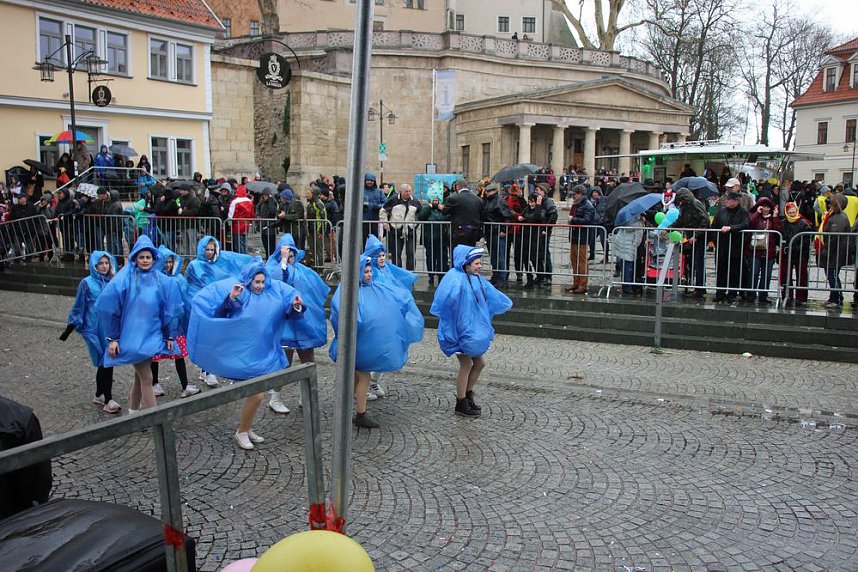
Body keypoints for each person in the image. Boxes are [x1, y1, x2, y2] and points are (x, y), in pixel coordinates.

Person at [188, 259, 305, 450]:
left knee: (257, 395)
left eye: (262, 282)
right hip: (246, 356)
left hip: (263, 354)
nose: (259, 286)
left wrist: (296, 306)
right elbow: (220, 315)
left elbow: (288, 311)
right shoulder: (241, 295)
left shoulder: (272, 296)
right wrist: (231, 299)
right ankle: (242, 431)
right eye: (256, 282)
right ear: (249, 280)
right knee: (258, 395)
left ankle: (246, 428)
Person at [328, 256, 422, 428]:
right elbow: (341, 317)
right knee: (362, 376)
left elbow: (393, 300)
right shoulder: (349, 291)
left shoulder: (370, 289)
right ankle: (360, 414)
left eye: (370, 271)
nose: (370, 275)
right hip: (356, 346)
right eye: (366, 271)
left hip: (362, 345)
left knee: (356, 378)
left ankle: (348, 410)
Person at [95, 236, 184, 414]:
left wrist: (169, 335)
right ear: (135, 258)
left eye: (148, 257)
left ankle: (134, 413)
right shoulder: (124, 280)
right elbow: (114, 310)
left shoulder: (161, 281)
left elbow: (166, 311)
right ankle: (156, 421)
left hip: (151, 336)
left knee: (140, 377)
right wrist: (113, 338)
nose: (145, 260)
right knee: (147, 378)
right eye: (141, 257)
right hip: (132, 338)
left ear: (154, 258)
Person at [430, 246, 512, 417]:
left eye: (480, 262)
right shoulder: (456, 281)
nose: (480, 266)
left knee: (480, 363)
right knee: (466, 364)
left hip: (471, 333)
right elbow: (452, 309)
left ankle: (467, 395)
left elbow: (490, 296)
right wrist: (460, 332)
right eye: (476, 263)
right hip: (459, 333)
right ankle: (460, 402)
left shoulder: (475, 279)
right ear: (466, 264)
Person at [264, 233, 330, 414]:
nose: (290, 258)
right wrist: (284, 262)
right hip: (284, 322)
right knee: (285, 361)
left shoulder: (303, 270)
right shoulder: (273, 268)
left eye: (292, 254)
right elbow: (278, 281)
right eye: (287, 254)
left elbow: (316, 291)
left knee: (308, 359)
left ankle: (306, 395)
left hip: (303, 321)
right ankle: (275, 397)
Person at [184, 235, 253, 386]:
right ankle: (208, 371)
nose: (209, 252)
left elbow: (237, 264)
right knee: (209, 340)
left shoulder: (221, 262)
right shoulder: (194, 265)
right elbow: (189, 286)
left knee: (218, 339)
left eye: (212, 249)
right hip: (205, 307)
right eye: (207, 249)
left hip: (219, 306)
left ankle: (209, 371)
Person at [362, 234, 424, 399]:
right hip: (376, 319)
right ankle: (362, 387)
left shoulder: (386, 269)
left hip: (389, 317)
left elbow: (397, 285)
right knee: (372, 352)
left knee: (386, 350)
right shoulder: (370, 272)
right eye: (379, 256)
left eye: (383, 255)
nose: (382, 258)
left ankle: (373, 382)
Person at [60, 251, 120, 413]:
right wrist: (71, 327)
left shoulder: (113, 282)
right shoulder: (86, 283)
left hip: (108, 329)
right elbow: (79, 306)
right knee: (105, 361)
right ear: (94, 265)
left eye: (107, 263)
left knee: (106, 361)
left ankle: (101, 394)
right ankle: (108, 398)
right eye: (101, 263)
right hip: (93, 329)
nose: (104, 266)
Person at [150, 245, 200, 399]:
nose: (168, 265)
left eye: (171, 262)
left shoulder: (178, 279)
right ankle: (154, 383)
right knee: (155, 356)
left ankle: (185, 385)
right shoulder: (154, 280)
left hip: (176, 326)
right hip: (159, 326)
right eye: (165, 261)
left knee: (178, 355)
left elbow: (185, 301)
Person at [711, 192, 750, 303]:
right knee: (721, 271)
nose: (726, 201)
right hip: (722, 247)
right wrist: (716, 241)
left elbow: (745, 224)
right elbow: (714, 226)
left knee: (734, 272)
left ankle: (732, 294)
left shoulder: (743, 212)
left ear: (736, 201)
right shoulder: (721, 212)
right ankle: (720, 293)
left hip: (736, 247)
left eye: (729, 199)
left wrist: (731, 228)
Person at [818, 194, 852, 309]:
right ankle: (835, 297)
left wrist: (826, 250)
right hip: (835, 250)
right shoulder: (835, 215)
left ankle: (836, 299)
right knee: (832, 274)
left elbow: (835, 236)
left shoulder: (839, 217)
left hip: (836, 251)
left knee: (832, 274)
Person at [745, 197, 781, 304]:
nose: (765, 209)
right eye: (763, 206)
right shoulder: (754, 216)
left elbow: (778, 231)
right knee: (753, 273)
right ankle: (751, 295)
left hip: (769, 251)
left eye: (767, 207)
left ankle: (763, 296)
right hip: (754, 250)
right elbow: (749, 224)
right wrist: (757, 213)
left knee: (767, 275)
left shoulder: (774, 218)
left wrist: (775, 217)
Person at [380, 183, 421, 270]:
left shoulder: (415, 201)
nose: (408, 193)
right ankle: (398, 276)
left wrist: (416, 225)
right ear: (400, 192)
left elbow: (420, 214)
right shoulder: (393, 200)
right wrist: (385, 223)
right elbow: (383, 211)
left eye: (410, 191)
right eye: (406, 191)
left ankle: (410, 276)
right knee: (396, 254)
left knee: (411, 254)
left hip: (410, 231)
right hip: (396, 231)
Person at [779, 201, 812, 307]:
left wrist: (795, 248)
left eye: (794, 212)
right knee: (784, 275)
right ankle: (786, 296)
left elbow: (806, 240)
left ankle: (801, 297)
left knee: (801, 275)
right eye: (790, 212)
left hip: (800, 254)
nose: (792, 214)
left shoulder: (803, 223)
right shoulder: (783, 223)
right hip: (786, 254)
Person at [565, 185, 596, 294]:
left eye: (575, 194)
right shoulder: (576, 204)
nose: (573, 196)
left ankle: (583, 284)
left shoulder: (588, 205)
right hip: (574, 236)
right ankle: (576, 282)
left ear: (581, 194)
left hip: (582, 237)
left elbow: (587, 220)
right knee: (574, 261)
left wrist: (573, 219)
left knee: (582, 262)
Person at [481, 183, 512, 288]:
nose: (486, 193)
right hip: (490, 232)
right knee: (494, 256)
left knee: (500, 256)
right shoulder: (488, 201)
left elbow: (508, 217)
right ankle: (496, 276)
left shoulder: (500, 201)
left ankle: (501, 278)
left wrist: (504, 230)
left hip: (498, 232)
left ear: (493, 191)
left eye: (488, 191)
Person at [443, 178, 483, 249]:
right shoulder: (478, 199)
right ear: (467, 186)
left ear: (457, 186)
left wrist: (442, 208)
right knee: (469, 253)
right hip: (473, 231)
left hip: (459, 231)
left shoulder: (453, 198)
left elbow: (445, 212)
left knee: (458, 254)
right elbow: (482, 215)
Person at [227, 186, 254, 254]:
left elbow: (231, 215)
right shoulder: (249, 201)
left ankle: (241, 260)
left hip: (237, 225)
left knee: (238, 245)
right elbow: (251, 214)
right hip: (246, 224)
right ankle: (245, 258)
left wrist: (229, 224)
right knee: (244, 243)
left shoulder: (235, 201)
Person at [362, 172, 385, 243]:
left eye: (371, 180)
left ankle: (374, 254)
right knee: (362, 240)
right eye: (368, 180)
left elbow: (385, 203)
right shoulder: (361, 191)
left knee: (375, 240)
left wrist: (377, 207)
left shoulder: (379, 192)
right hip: (363, 220)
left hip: (375, 219)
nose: (370, 182)